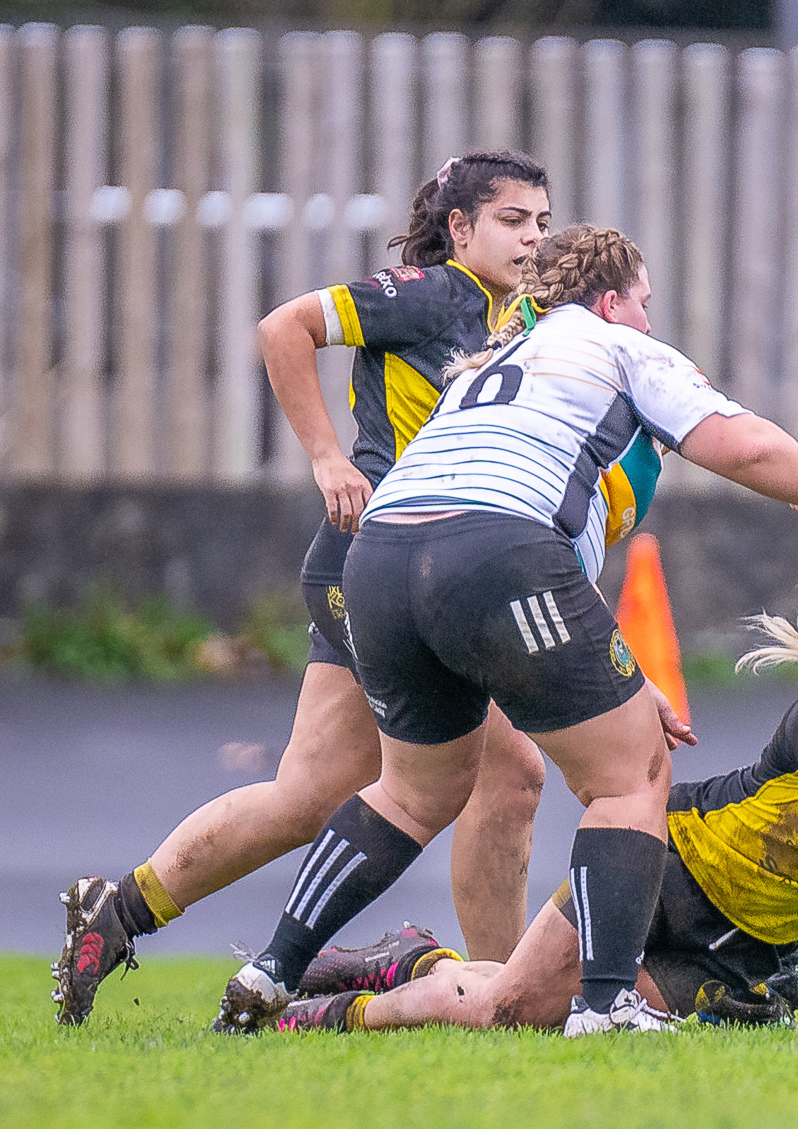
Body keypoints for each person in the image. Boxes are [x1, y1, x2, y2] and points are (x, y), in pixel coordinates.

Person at [210, 223, 798, 1038]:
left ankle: (271, 969)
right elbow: (743, 444)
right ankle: (607, 1001)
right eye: (644, 304)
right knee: (631, 780)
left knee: (413, 792)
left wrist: (615, 671)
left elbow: (527, 548)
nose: (650, 322)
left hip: (378, 556)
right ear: (610, 300)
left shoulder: (489, 363)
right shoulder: (613, 344)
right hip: (496, 552)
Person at [53, 152, 554, 1025]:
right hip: (382, 563)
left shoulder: (514, 316)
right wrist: (327, 458)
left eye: (542, 222)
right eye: (514, 220)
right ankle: (500, 997)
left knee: (308, 796)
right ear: (462, 229)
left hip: (379, 568)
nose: (533, 237)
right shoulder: (431, 293)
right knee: (507, 772)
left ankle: (119, 912)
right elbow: (285, 326)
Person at [267, 590, 798, 1034]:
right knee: (499, 1012)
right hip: (665, 867)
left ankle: (408, 961)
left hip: (744, 951)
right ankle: (327, 1017)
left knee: (525, 1011)